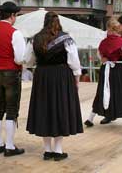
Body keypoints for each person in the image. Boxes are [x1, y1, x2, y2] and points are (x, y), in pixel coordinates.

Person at [25, 12, 83, 161]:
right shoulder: (66, 39)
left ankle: (47, 150)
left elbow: (28, 61)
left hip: (42, 76)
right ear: (58, 22)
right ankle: (58, 150)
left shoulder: (34, 39)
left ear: (44, 22)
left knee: (45, 109)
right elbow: (74, 62)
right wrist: (77, 78)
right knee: (60, 108)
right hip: (61, 77)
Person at [85, 18, 122, 135]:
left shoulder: (102, 42)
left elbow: (100, 56)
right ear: (117, 29)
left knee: (102, 93)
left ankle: (90, 119)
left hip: (106, 70)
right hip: (120, 71)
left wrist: (106, 59)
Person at [0, 1, 26, 157]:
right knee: (11, 110)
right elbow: (19, 58)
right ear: (12, 16)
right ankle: (9, 145)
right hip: (11, 74)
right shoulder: (15, 33)